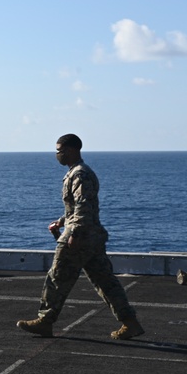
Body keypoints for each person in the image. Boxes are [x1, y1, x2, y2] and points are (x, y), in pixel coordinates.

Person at [16, 134, 144, 340]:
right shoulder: (79, 172)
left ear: (71, 150)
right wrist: (62, 221)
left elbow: (83, 205)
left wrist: (74, 232)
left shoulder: (80, 174)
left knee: (57, 278)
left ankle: (45, 321)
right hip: (92, 237)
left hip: (81, 237)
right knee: (105, 282)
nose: (58, 154)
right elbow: (80, 208)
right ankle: (130, 322)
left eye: (60, 150)